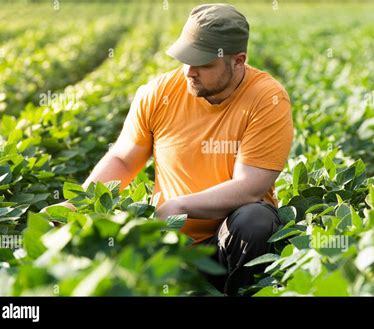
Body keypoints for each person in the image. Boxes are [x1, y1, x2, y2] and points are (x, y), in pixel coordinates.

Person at [46, 3, 293, 296]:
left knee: (255, 220)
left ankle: (239, 291)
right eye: (185, 59)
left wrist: (181, 206)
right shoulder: (158, 93)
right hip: (169, 238)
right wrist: (78, 204)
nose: (189, 71)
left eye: (203, 64)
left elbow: (250, 186)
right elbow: (123, 160)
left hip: (228, 240)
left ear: (238, 61)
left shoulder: (267, 99)